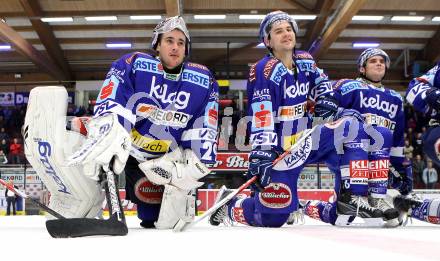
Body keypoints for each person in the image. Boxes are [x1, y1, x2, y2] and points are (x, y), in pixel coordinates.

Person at [23, 16, 219, 230]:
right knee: (79, 134)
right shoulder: (135, 64)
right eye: (169, 41)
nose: (175, 47)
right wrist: (112, 126)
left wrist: (191, 165)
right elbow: (113, 100)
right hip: (130, 150)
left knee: (155, 218)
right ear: (157, 45)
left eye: (181, 43)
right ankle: (76, 199)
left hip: (165, 159)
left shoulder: (202, 79)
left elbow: (205, 128)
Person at [208, 11, 385, 228]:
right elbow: (262, 114)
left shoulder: (305, 60)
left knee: (351, 125)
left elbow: (322, 82)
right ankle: (231, 206)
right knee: (274, 217)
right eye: (278, 31)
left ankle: (348, 199)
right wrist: (263, 150)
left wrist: (326, 100)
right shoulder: (263, 70)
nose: (286, 34)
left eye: (289, 29)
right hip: (282, 149)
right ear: (268, 40)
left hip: (307, 138)